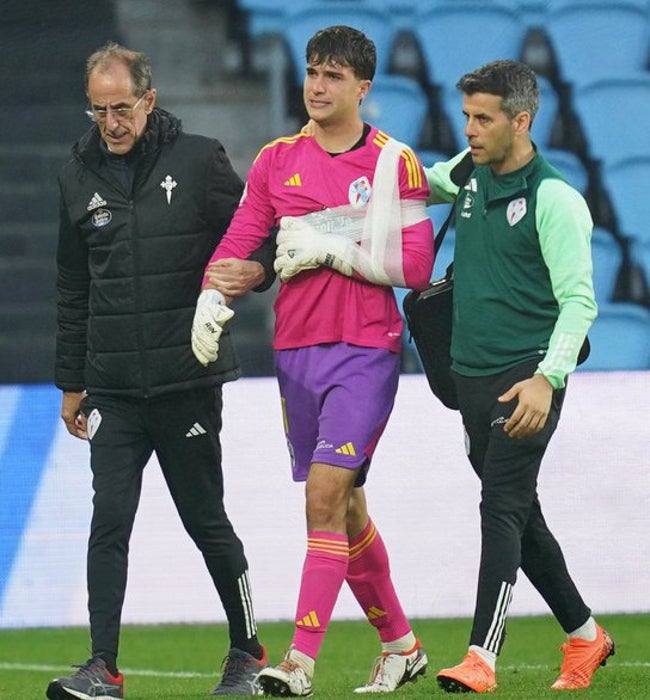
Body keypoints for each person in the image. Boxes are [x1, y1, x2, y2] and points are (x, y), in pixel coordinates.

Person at [191, 25, 434, 697]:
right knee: (347, 507)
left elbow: (416, 265)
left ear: (363, 87)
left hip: (366, 348)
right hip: (296, 351)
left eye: (333, 76)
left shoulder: (394, 163)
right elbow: (243, 238)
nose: (318, 87)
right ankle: (402, 647)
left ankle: (298, 663)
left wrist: (332, 240)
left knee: (324, 494)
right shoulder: (276, 159)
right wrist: (213, 292)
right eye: (312, 73)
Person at [48, 41, 274, 700]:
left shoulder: (200, 160)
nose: (111, 123)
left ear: (149, 100)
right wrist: (72, 383)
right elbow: (71, 287)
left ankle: (248, 650)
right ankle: (103, 668)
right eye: (99, 111)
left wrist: (255, 272)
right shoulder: (75, 176)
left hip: (187, 382)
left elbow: (257, 233)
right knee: (108, 525)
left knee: (207, 522)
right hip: (112, 389)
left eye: (122, 108)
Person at [424, 60, 614, 693]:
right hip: (469, 379)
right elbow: (423, 182)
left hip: (524, 382)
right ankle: (586, 638)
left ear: (521, 121)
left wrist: (548, 377)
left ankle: (481, 655)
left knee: (499, 507)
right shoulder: (470, 174)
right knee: (522, 515)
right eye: (466, 117)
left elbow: (580, 302)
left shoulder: (555, 199)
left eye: (483, 118)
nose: (470, 130)